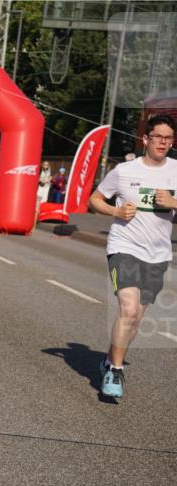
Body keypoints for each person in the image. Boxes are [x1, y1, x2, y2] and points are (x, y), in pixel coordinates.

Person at [87, 114, 176, 399]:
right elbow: (94, 199)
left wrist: (173, 202)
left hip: (158, 253)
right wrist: (116, 211)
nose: (163, 142)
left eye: (168, 138)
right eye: (158, 136)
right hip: (124, 246)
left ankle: (109, 360)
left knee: (136, 316)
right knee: (128, 308)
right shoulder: (124, 171)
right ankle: (115, 370)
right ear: (145, 139)